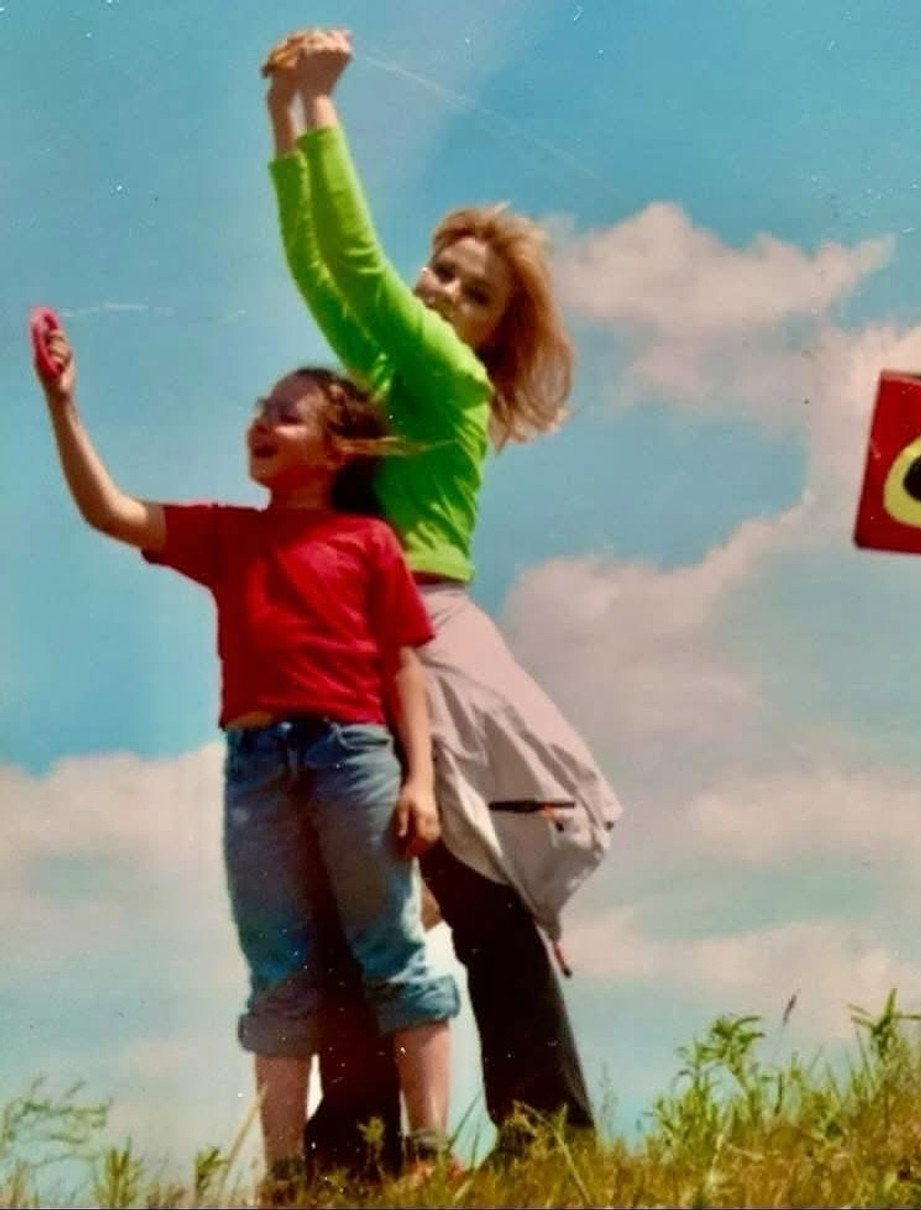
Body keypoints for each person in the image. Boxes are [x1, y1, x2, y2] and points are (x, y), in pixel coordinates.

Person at [261, 25, 624, 1172]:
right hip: (352, 653)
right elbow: (322, 270)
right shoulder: (386, 374)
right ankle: (355, 1153)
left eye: (475, 293)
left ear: (486, 333)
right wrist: (282, 116)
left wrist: (323, 103)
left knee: (477, 891)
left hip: (428, 646)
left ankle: (548, 1133)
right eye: (446, 272)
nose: (449, 292)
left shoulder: (445, 372)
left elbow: (360, 267)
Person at [32, 325, 461, 1189]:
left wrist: (420, 781)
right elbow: (109, 512)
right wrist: (61, 402)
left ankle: (428, 1156)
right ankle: (285, 1177)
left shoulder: (367, 543)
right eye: (261, 408)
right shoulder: (228, 535)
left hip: (351, 754)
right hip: (256, 767)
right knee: (277, 971)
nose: (261, 422)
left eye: (287, 415)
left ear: (336, 451)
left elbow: (402, 665)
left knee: (391, 952)